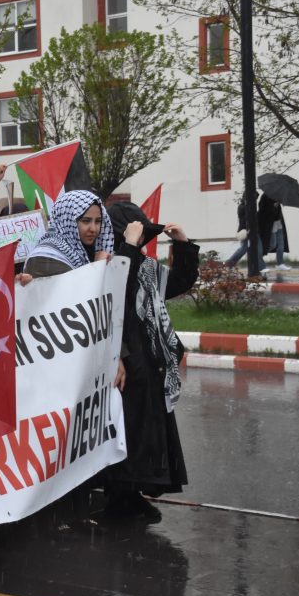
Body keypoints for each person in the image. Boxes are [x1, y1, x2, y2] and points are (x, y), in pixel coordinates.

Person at [24, 190, 124, 528]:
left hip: (82, 369)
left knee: (81, 439)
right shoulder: (47, 257)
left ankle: (77, 513)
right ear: (69, 221)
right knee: (59, 443)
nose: (93, 229)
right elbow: (68, 315)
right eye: (85, 221)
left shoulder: (82, 256)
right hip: (54, 370)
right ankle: (54, 516)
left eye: (98, 221)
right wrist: (96, 273)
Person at [103, 202, 197, 521]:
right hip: (125, 361)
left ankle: (134, 494)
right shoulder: (111, 263)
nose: (143, 241)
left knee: (148, 433)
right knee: (127, 431)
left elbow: (180, 281)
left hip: (151, 361)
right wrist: (127, 247)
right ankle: (119, 499)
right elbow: (116, 290)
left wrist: (182, 245)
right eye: (137, 234)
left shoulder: (143, 265)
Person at [224, 195, 264, 270]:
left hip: (254, 231)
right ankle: (229, 263)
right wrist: (248, 228)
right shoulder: (242, 207)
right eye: (255, 198)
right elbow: (244, 220)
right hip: (246, 231)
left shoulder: (250, 206)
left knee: (258, 250)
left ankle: (261, 268)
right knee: (244, 249)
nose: (255, 200)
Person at [258, 195, 290, 272]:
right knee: (273, 244)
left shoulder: (278, 197)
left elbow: (278, 211)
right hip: (270, 224)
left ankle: (280, 263)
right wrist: (273, 206)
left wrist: (280, 203)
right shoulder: (265, 197)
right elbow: (262, 210)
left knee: (281, 244)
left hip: (278, 222)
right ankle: (258, 257)